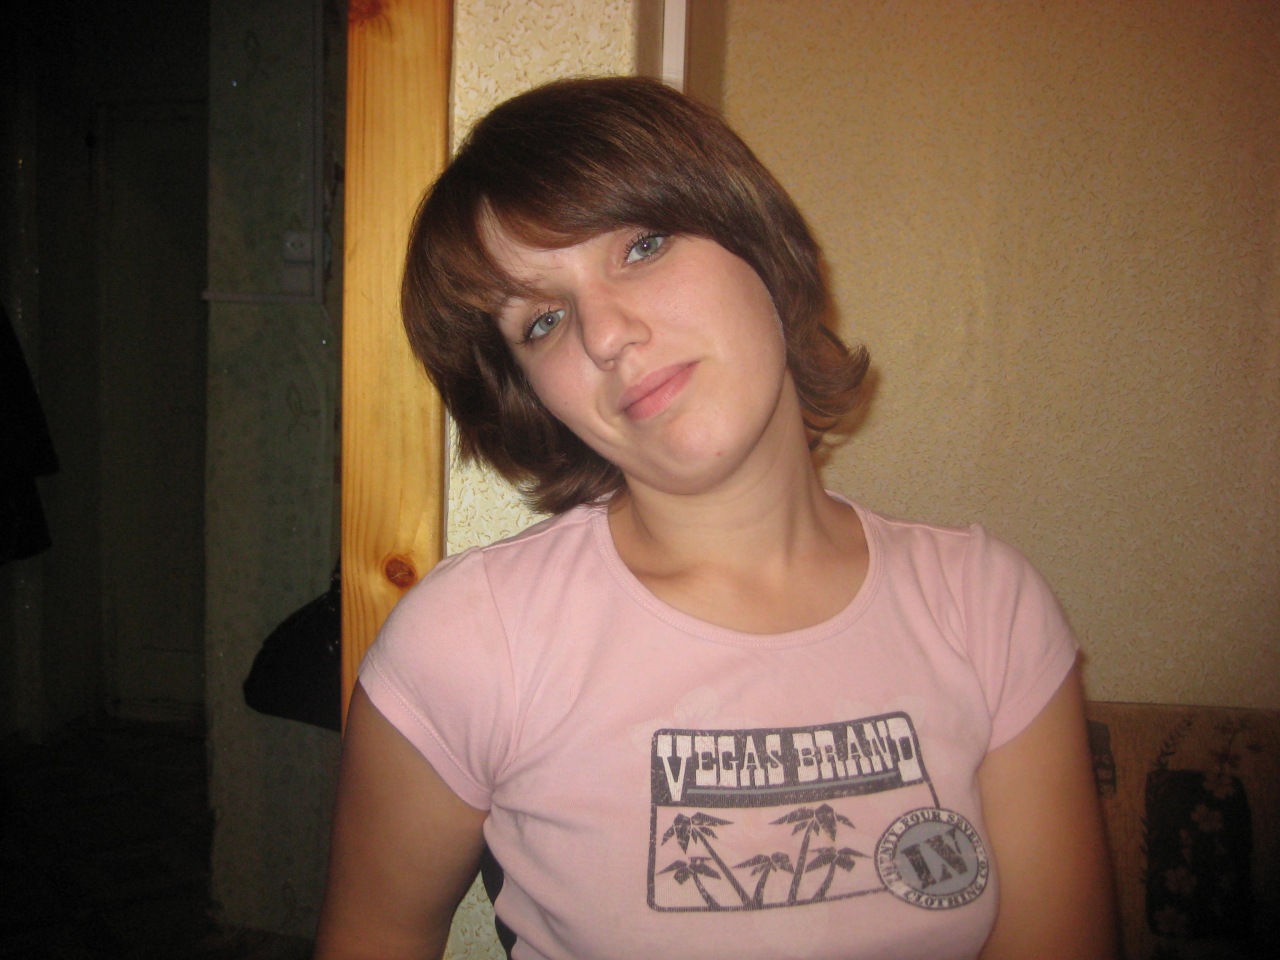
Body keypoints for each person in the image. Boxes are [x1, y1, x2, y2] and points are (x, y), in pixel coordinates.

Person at [314, 76, 1117, 960]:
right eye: (542, 321)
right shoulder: (471, 642)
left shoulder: (987, 608)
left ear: (756, 245)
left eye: (642, 245)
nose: (605, 334)